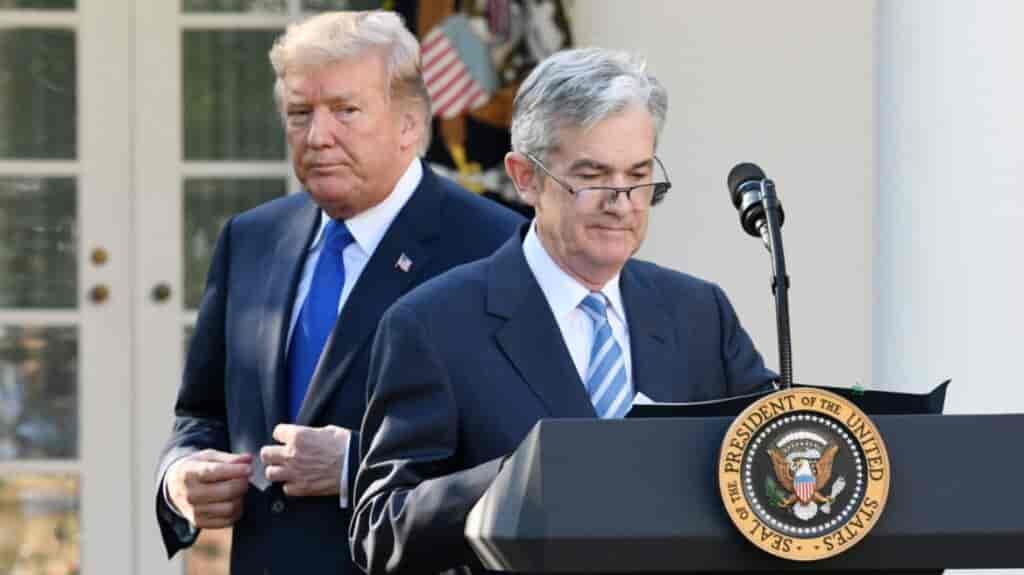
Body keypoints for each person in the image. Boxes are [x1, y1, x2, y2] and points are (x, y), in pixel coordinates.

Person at [349, 47, 778, 574]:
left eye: (638, 174)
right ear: (524, 177)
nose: (622, 203)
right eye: (593, 176)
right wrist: (521, 478)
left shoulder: (699, 313)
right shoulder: (432, 324)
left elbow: (769, 460)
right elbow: (380, 531)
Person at [154, 11, 523, 574]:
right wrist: (179, 477)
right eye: (300, 113)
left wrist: (356, 465)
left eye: (346, 110)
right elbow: (201, 412)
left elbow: (517, 461)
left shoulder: (495, 248)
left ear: (409, 124)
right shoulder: (251, 240)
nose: (318, 136)